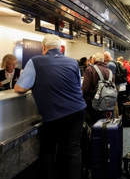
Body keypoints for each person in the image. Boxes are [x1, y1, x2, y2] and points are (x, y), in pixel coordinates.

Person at [14, 34, 86, 179]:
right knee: (73, 148)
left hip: (55, 114)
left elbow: (19, 88)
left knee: (48, 149)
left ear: (44, 48)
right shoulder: (72, 62)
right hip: (78, 110)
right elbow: (78, 86)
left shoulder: (35, 61)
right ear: (60, 48)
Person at [82, 52, 114, 125]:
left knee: (93, 125)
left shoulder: (90, 70)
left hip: (92, 104)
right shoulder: (110, 72)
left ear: (94, 59)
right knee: (103, 126)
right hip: (106, 103)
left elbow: (85, 89)